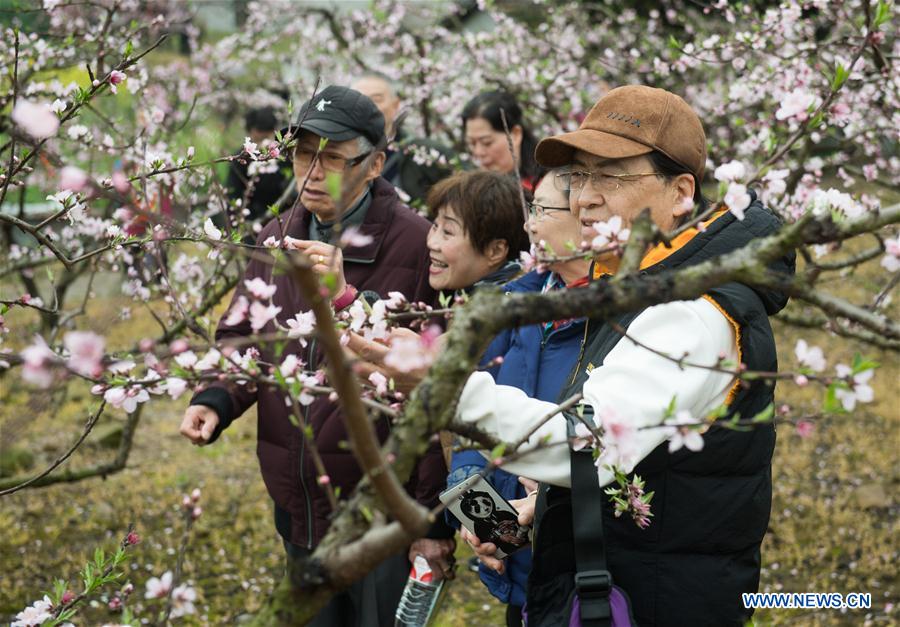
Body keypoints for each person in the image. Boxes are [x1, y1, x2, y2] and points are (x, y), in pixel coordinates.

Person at [454, 85, 795, 626]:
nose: (583, 197)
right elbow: (631, 458)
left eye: (610, 177)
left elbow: (587, 444)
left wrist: (441, 387)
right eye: (580, 176)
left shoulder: (691, 312)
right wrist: (541, 510)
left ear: (681, 191)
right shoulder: (634, 287)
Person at [180, 85, 454, 627]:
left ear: (375, 163)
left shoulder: (417, 245)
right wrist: (216, 397)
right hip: (299, 503)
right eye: (303, 154)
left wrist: (432, 523)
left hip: (383, 516)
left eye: (332, 157)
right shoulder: (277, 236)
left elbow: (432, 393)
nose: (310, 174)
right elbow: (243, 333)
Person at [448, 170, 591, 627]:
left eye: (544, 211)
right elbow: (469, 426)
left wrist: (540, 510)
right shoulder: (510, 304)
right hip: (521, 567)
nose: (529, 226)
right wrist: (487, 529)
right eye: (532, 209)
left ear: (590, 218)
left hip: (583, 573)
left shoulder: (616, 322)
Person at [352, 73, 456, 208]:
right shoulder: (333, 154)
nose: (368, 106)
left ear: (395, 105)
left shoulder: (427, 153)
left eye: (376, 99)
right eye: (358, 101)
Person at [462, 90, 544, 193]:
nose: (478, 152)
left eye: (487, 142)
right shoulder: (472, 192)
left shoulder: (548, 186)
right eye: (472, 143)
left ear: (515, 134)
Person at [225, 106, 291, 225]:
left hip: (283, 216)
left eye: (267, 136)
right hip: (252, 218)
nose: (263, 142)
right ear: (250, 132)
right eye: (259, 137)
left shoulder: (283, 157)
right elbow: (233, 196)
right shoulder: (239, 159)